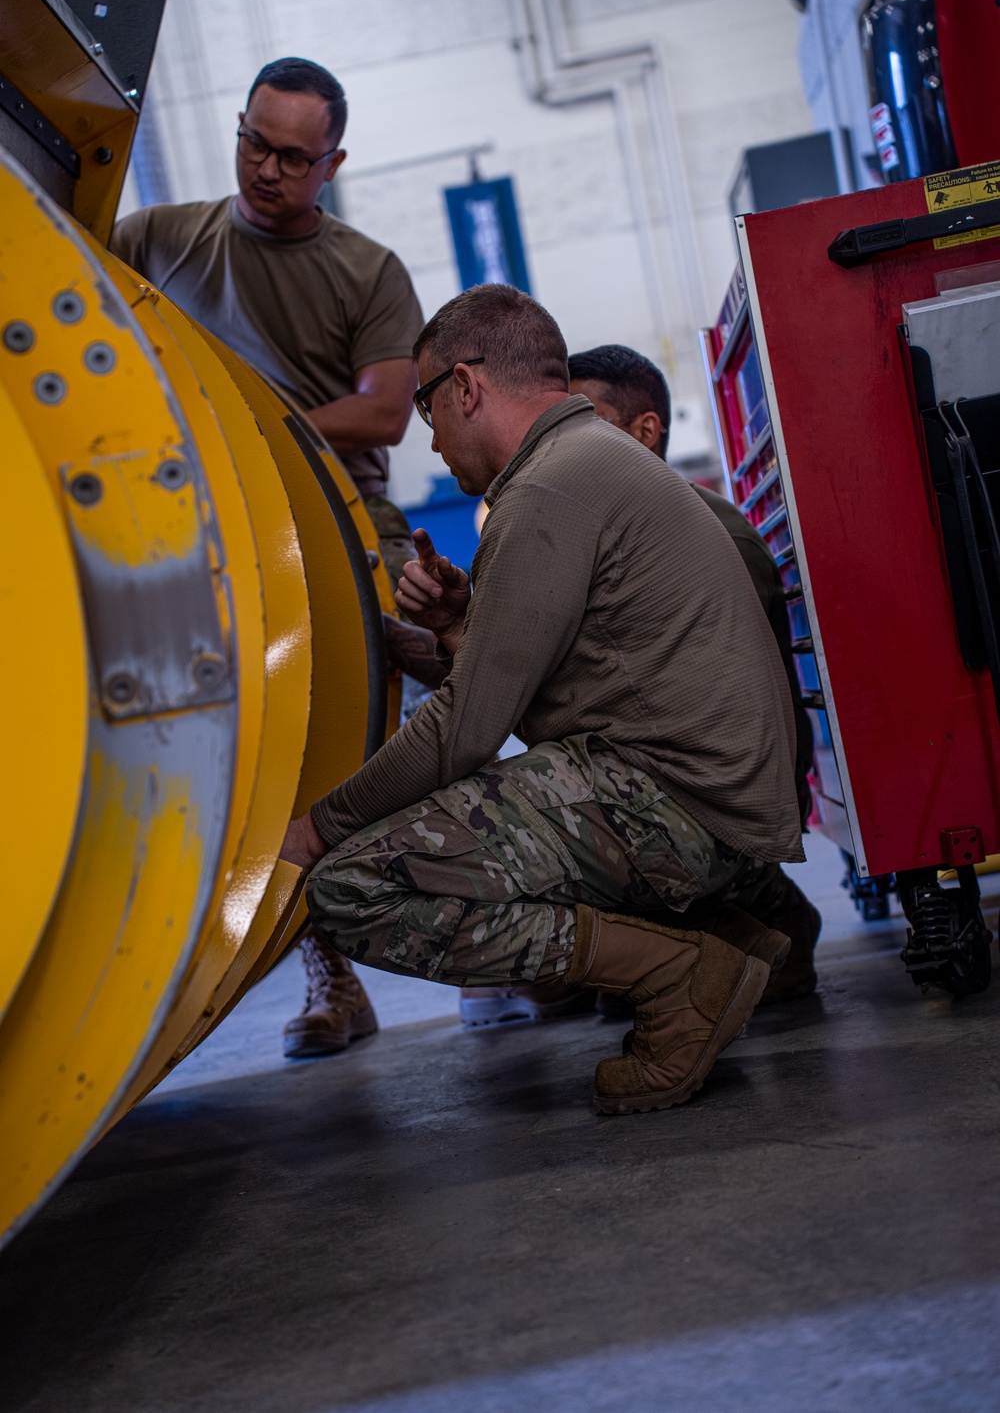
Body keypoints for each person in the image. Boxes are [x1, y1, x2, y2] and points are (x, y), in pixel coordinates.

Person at [280, 283, 805, 1116]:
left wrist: (318, 827)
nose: (434, 444)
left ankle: (680, 975)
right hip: (719, 804)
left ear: (464, 387)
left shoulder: (546, 492)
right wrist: (462, 629)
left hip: (679, 809)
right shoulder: (592, 460)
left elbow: (464, 733)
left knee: (351, 886)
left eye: (428, 410)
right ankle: (722, 939)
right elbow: (559, 687)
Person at [112, 56, 425, 1061]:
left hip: (338, 533)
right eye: (256, 143)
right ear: (237, 128)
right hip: (196, 540)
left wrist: (235, 430)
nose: (268, 170)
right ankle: (326, 975)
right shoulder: (157, 241)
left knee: (395, 744)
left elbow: (384, 412)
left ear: (331, 162)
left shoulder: (366, 272)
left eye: (294, 156)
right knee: (242, 770)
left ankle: (504, 950)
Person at [458, 342, 821, 1029]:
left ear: (643, 432)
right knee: (556, 980)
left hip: (713, 795)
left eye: (584, 419)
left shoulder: (710, 534)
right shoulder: (594, 531)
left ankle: (764, 913)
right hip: (666, 780)